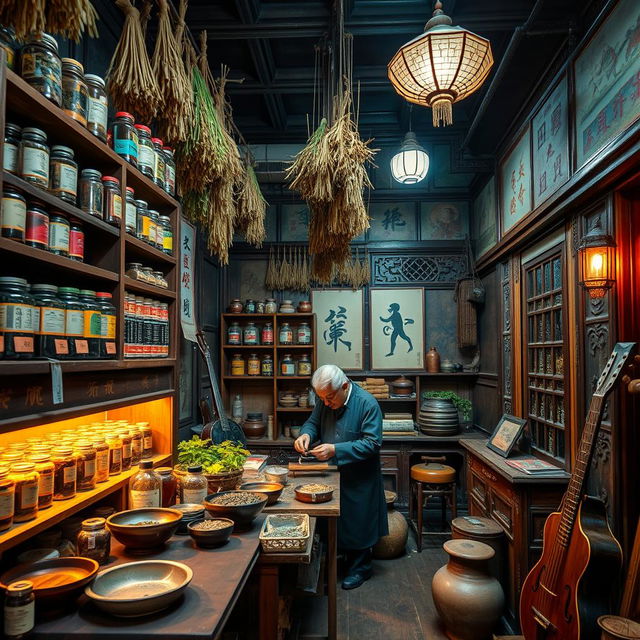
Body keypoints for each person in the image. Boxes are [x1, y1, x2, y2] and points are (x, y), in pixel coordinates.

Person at [294, 364, 388, 590]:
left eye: (329, 398)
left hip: (360, 476)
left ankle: (361, 569)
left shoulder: (367, 404)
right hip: (330, 471)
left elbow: (372, 443)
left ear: (344, 386)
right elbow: (313, 423)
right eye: (322, 399)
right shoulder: (325, 399)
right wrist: (306, 434)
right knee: (336, 520)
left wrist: (336, 450)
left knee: (359, 521)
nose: (325, 404)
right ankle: (339, 559)